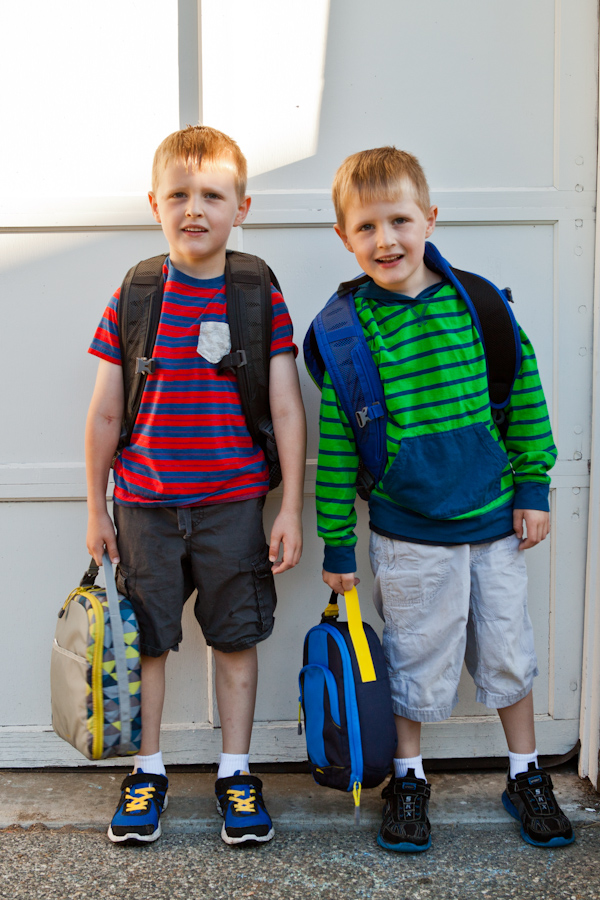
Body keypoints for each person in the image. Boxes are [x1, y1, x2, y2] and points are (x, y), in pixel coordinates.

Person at [313, 146, 574, 851]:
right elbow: (336, 447)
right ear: (345, 237)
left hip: (494, 523)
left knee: (508, 652)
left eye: (399, 220)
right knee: (413, 662)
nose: (385, 240)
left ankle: (525, 773)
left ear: (430, 217)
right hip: (408, 534)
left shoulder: (479, 304)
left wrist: (533, 485)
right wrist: (337, 540)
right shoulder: (347, 333)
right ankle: (409, 777)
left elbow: (523, 399)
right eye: (365, 228)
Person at [85, 125, 306, 846]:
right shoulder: (137, 292)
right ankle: (147, 771)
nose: (194, 208)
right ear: (155, 202)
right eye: (179, 194)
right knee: (148, 640)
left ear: (241, 205)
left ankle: (236, 773)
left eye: (213, 194)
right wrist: (97, 507)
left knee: (235, 637)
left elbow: (284, 404)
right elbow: (106, 409)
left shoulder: (254, 291)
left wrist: (290, 510)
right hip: (144, 506)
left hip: (233, 505)